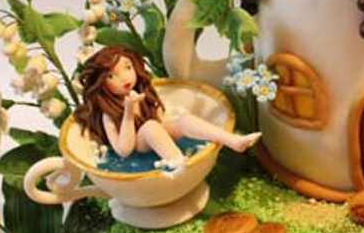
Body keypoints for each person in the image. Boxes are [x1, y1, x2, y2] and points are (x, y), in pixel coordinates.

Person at [74, 46, 260, 171]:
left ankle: (233, 141)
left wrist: (177, 125)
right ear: (101, 83)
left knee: (184, 120)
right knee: (149, 127)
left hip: (156, 134)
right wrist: (129, 112)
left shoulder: (143, 93)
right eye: (111, 76)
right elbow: (124, 150)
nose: (124, 77)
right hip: (140, 145)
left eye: (127, 67)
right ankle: (179, 163)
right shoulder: (109, 114)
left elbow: (161, 120)